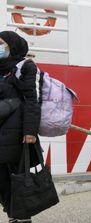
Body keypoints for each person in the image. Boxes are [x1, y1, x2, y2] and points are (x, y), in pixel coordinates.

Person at [0, 31, 42, 223]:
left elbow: (32, 100)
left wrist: (30, 131)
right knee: (1, 178)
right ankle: (11, 213)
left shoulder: (25, 67)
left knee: (17, 176)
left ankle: (23, 217)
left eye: (1, 44)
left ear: (12, 44)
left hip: (18, 132)